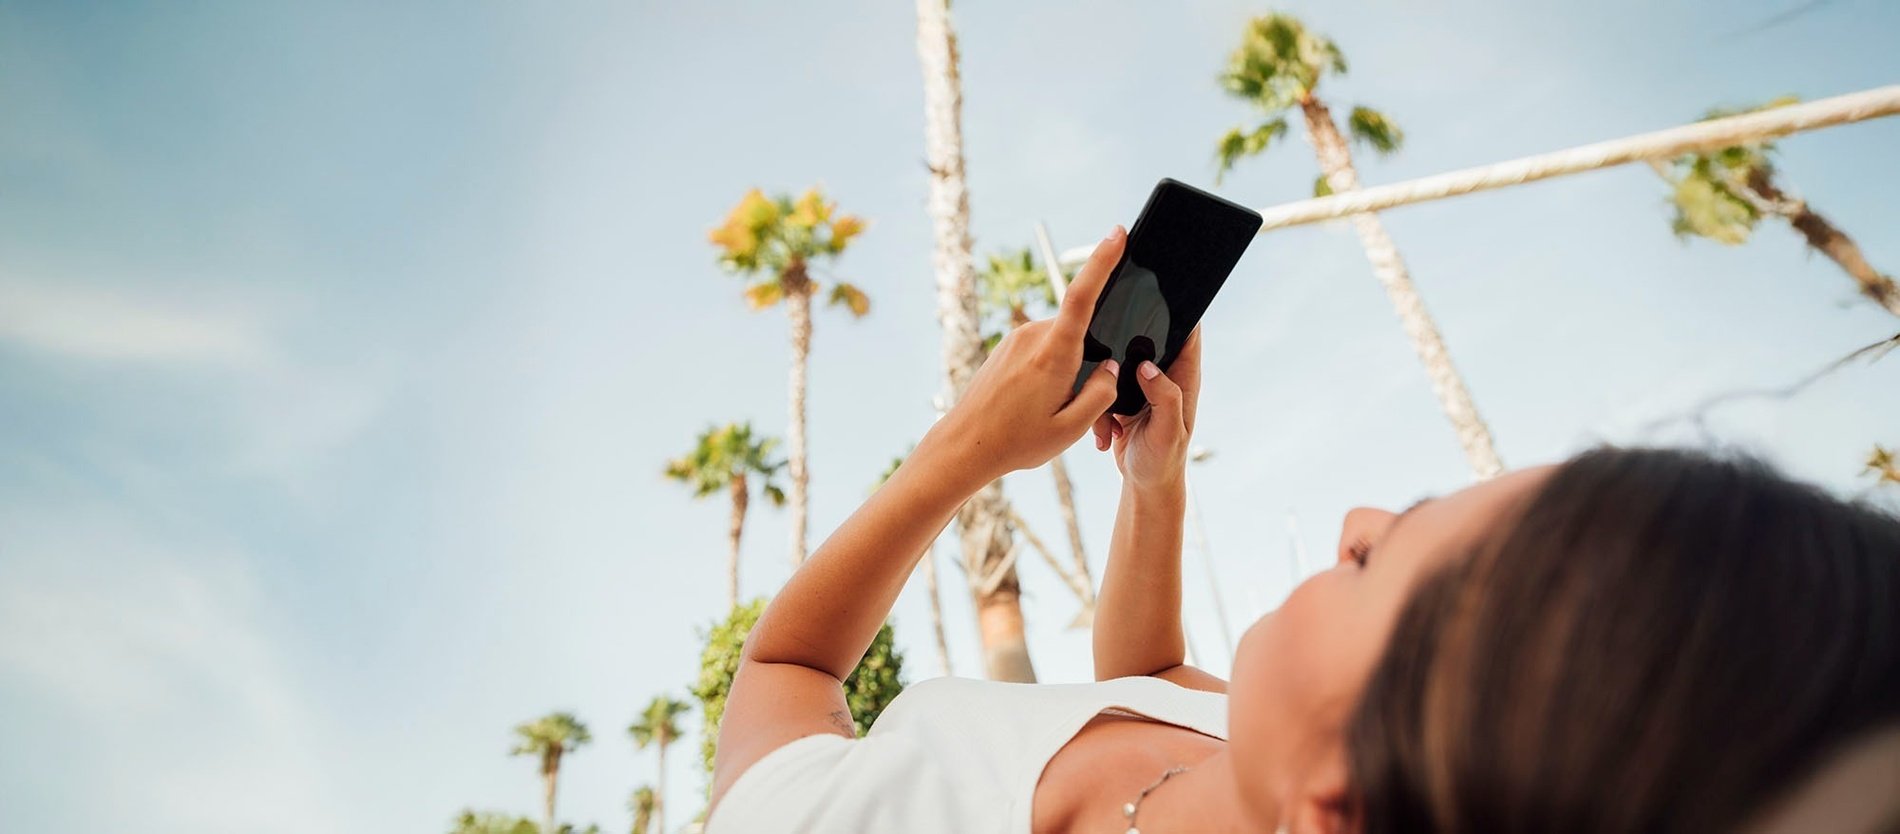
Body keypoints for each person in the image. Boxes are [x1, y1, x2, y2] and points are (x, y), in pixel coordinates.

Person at [702, 226, 1900, 834]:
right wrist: (1155, 485)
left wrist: (963, 452)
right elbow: (1148, 677)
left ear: (1339, 805)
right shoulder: (1261, 755)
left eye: (1377, 560)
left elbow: (785, 672)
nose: (1355, 520)